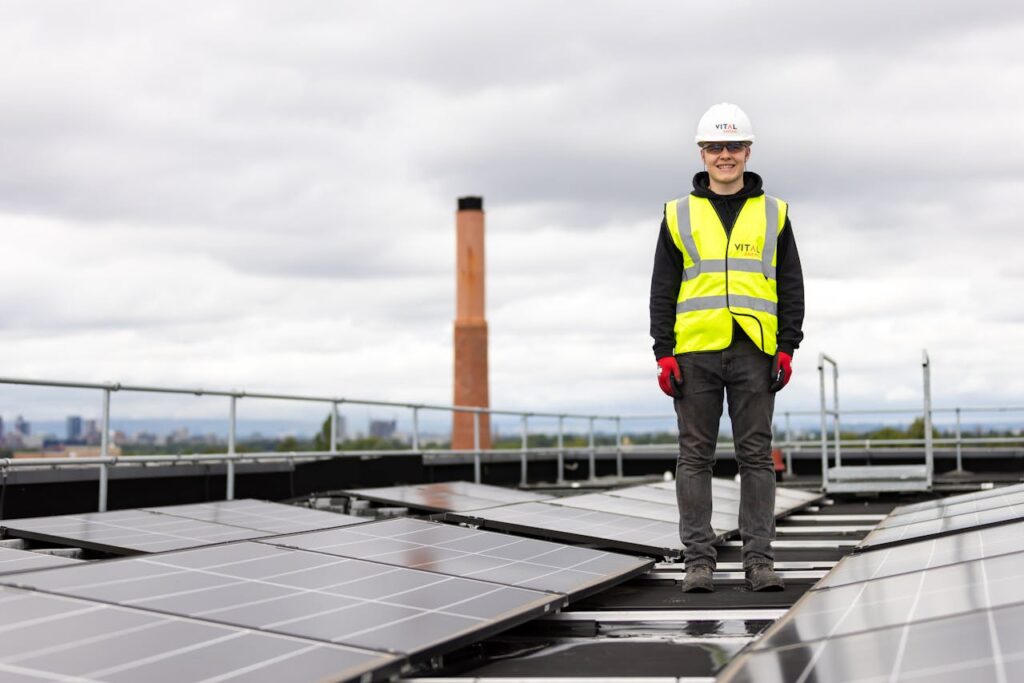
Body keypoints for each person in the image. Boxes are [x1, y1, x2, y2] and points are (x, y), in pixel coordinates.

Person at [648, 103, 805, 592]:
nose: (724, 156)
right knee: (694, 457)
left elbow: (790, 283)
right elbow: (663, 287)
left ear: (748, 151)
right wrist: (663, 351)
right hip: (694, 352)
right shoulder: (678, 214)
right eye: (715, 147)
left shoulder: (774, 213)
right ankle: (699, 561)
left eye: (733, 146)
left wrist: (787, 346)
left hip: (755, 351)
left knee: (755, 456)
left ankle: (759, 561)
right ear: (702, 153)